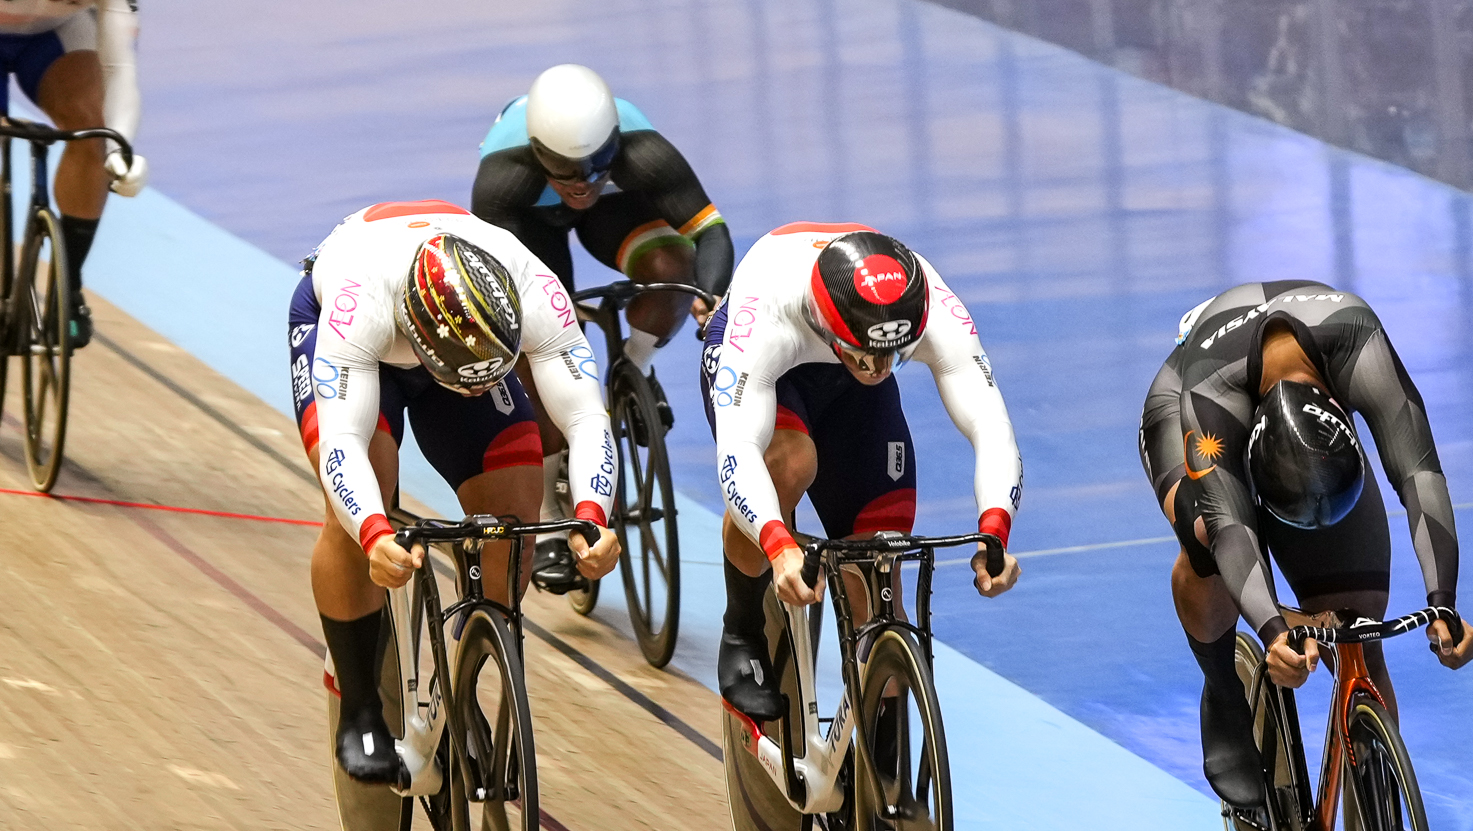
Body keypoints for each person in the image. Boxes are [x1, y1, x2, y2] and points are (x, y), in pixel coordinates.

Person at [291, 199, 621, 784]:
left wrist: (592, 516)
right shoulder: (357, 303)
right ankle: (360, 704)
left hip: (467, 340)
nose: (474, 395)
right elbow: (341, 442)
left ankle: (459, 683)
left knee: (514, 517)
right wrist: (371, 533)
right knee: (364, 488)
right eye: (463, 383)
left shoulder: (529, 284)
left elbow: (588, 420)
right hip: (355, 340)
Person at [1139, 280, 1473, 809]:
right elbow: (1234, 527)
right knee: (1207, 536)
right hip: (1194, 396)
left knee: (1359, 629)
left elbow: (1421, 476)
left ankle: (1378, 825)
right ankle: (1224, 692)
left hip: (1310, 376)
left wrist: (1445, 602)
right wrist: (1274, 632)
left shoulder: (1359, 346)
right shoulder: (1211, 392)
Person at [700, 223, 1023, 721]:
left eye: (891, 356)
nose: (877, 367)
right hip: (772, 369)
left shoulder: (928, 304)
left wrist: (995, 527)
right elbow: (737, 449)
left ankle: (880, 771)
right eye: (865, 354)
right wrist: (777, 544)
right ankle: (741, 627)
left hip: (846, 383)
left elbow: (990, 423)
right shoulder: (768, 313)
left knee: (877, 570)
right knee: (787, 462)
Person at [473, 63, 732, 592]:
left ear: (616, 142)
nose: (584, 181)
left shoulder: (644, 151)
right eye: (568, 171)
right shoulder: (503, 176)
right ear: (538, 153)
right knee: (535, 346)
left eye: (598, 165)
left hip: (619, 210)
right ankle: (549, 516)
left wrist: (711, 299)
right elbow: (492, 282)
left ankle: (635, 367)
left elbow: (711, 233)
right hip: (531, 224)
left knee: (672, 269)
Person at [0, 0, 148, 347]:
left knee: (92, 130)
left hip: (55, 34)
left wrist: (118, 149)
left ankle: (67, 286)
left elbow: (121, 70)